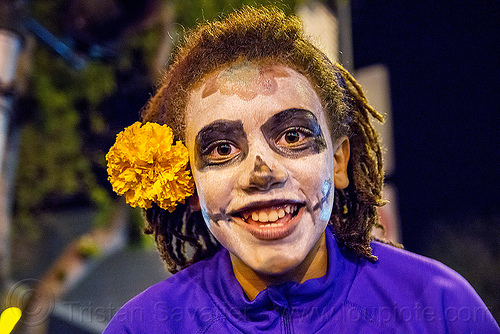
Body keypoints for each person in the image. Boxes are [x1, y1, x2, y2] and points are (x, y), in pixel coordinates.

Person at [103, 6, 499, 333]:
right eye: (222, 148)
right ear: (188, 186)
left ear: (339, 161)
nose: (262, 171)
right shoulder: (145, 326)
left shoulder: (437, 304)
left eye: (292, 136)